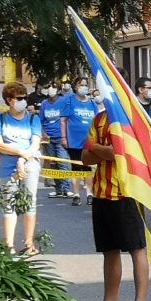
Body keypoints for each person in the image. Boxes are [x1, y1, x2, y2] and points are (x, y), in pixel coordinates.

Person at [77, 81, 151, 301]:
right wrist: (103, 149)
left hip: (128, 192)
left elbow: (126, 152)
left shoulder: (133, 118)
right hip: (101, 192)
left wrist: (100, 149)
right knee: (109, 250)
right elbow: (86, 156)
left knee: (137, 248)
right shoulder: (99, 119)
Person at [0, 82, 43, 255]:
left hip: (29, 164)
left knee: (30, 203)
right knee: (9, 204)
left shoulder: (33, 119)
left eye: (25, 98)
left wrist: (22, 159)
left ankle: (29, 244)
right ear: (9, 100)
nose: (23, 101)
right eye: (19, 98)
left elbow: (35, 144)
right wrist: (20, 152)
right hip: (7, 167)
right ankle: (9, 245)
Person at [59, 76, 99, 206]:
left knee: (87, 167)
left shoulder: (92, 103)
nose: (84, 87)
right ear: (76, 87)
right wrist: (64, 137)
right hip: (74, 141)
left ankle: (89, 193)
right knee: (75, 166)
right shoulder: (69, 101)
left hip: (88, 141)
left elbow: (97, 121)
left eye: (86, 84)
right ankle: (76, 194)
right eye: (81, 84)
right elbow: (63, 120)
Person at [39, 83, 71, 199]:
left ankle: (66, 188)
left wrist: (65, 136)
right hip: (48, 139)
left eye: (53, 87)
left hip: (60, 137)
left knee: (63, 163)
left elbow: (67, 118)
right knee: (53, 164)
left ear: (58, 90)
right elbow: (41, 120)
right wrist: (43, 133)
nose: (50, 90)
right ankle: (58, 189)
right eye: (48, 87)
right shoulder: (44, 104)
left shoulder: (64, 101)